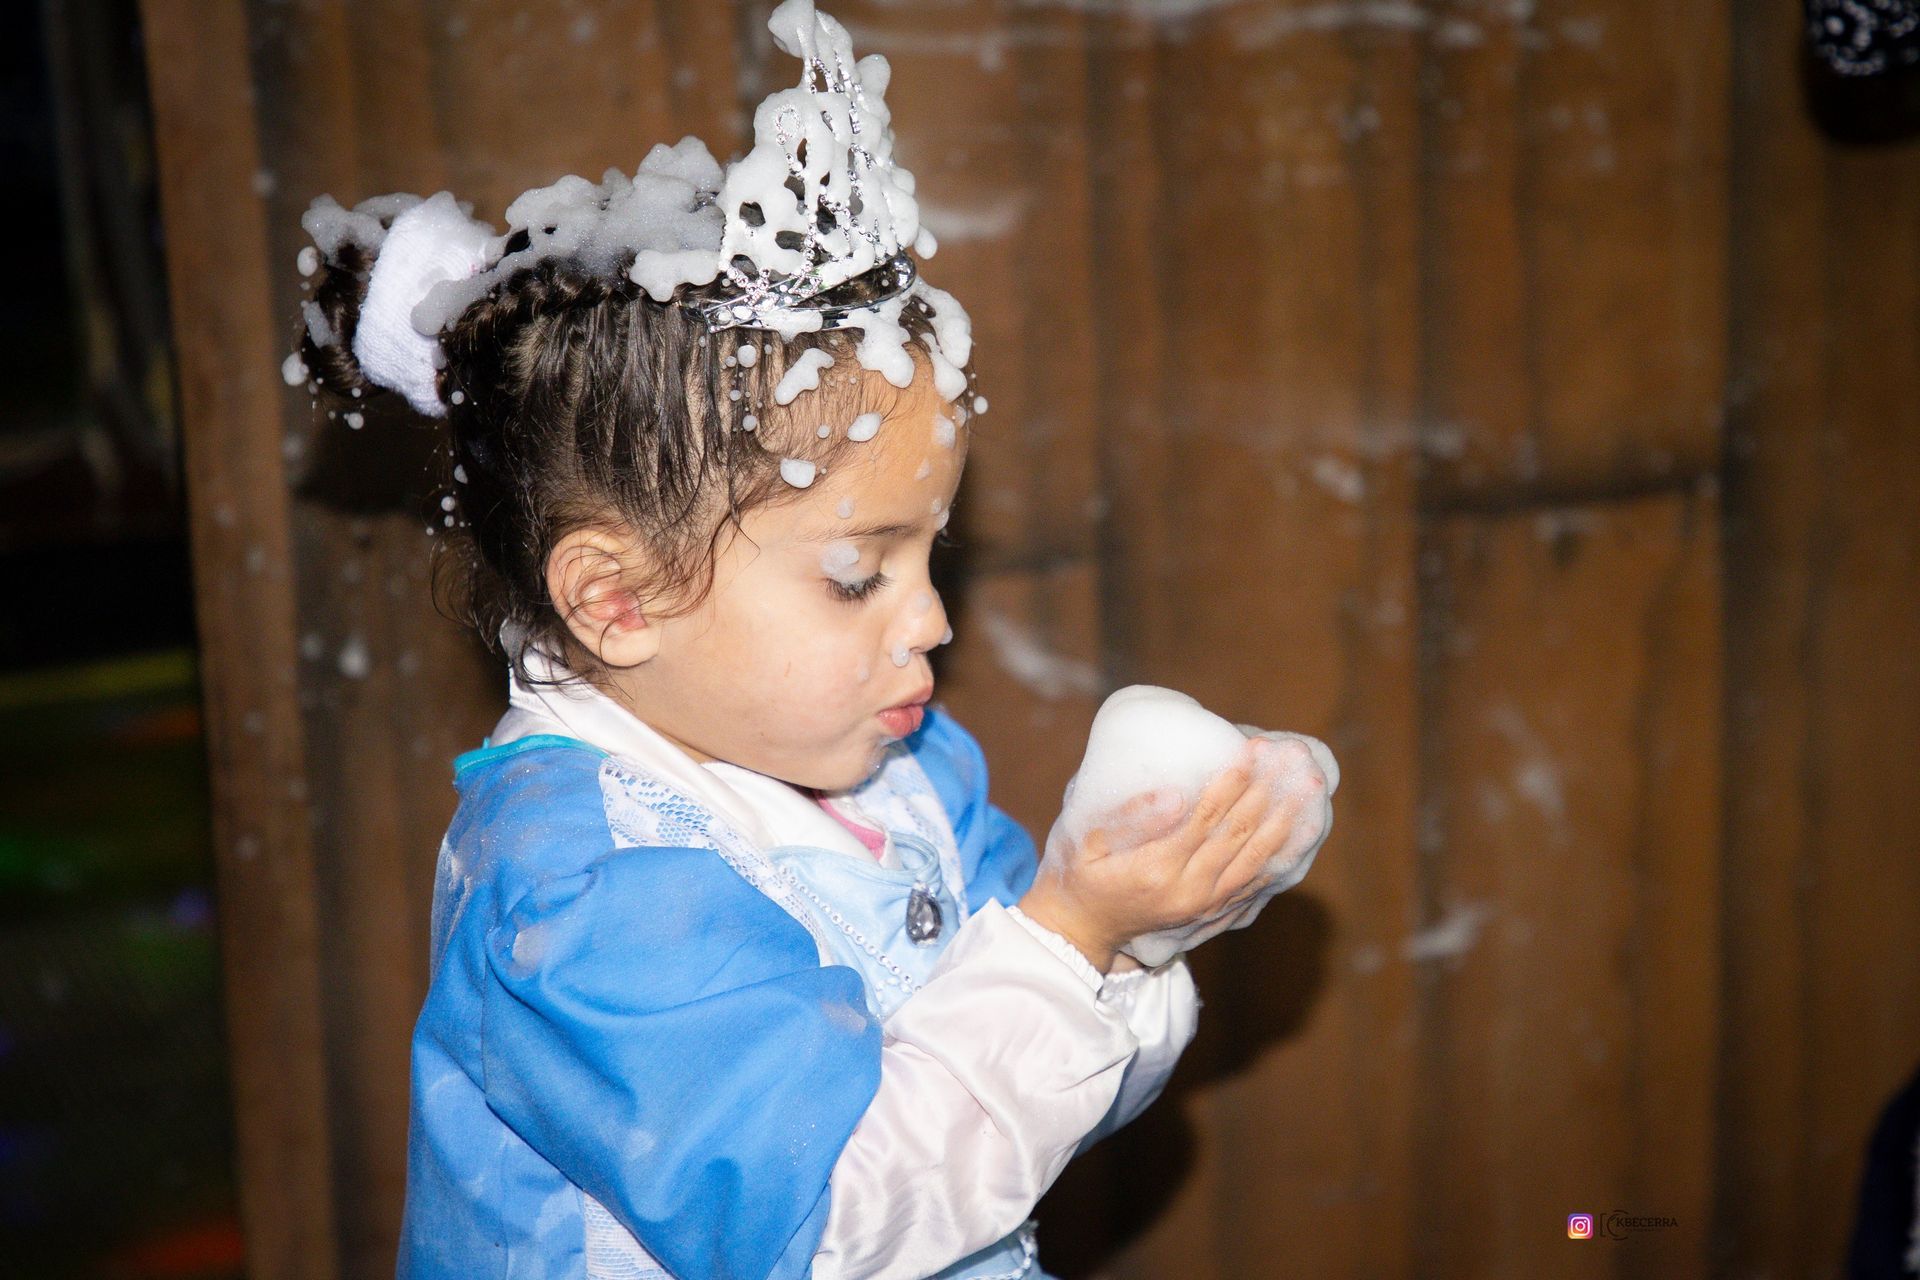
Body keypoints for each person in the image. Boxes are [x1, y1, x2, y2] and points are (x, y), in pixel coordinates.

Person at [292, 5, 1331, 1277]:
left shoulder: (900, 767)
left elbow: (1034, 1104)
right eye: (857, 574)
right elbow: (826, 1223)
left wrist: (1143, 918)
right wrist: (1073, 932)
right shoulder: (583, 890)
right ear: (617, 601)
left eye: (927, 554)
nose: (934, 618)